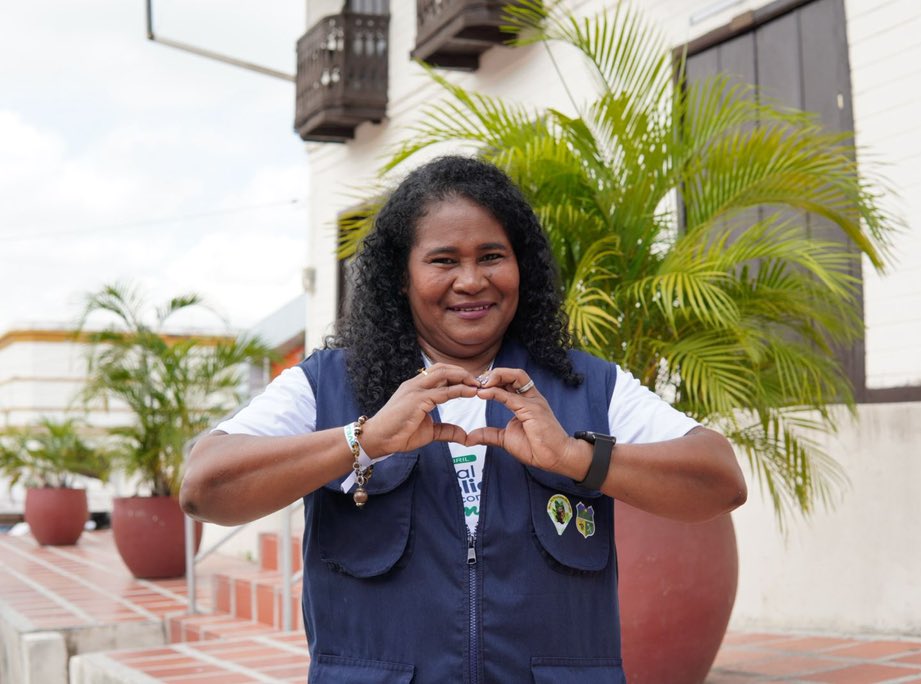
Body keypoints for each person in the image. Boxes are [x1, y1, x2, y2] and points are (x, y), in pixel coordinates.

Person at [180, 155, 747, 682]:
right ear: (402, 278)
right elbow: (205, 487)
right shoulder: (328, 383)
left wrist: (576, 457)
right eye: (444, 261)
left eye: (492, 257)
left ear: (521, 266)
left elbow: (720, 480)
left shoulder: (586, 384)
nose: (472, 281)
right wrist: (364, 439)